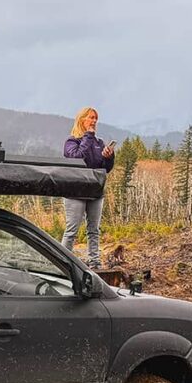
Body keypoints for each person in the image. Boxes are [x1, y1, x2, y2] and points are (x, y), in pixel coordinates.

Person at [62, 107, 115, 268]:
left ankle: (95, 263)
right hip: (75, 192)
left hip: (95, 192)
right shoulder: (71, 142)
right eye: (91, 118)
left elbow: (105, 168)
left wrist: (109, 157)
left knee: (94, 230)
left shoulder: (99, 143)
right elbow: (77, 157)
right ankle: (62, 263)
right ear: (82, 119)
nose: (94, 121)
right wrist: (88, 136)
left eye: (95, 118)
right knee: (72, 230)